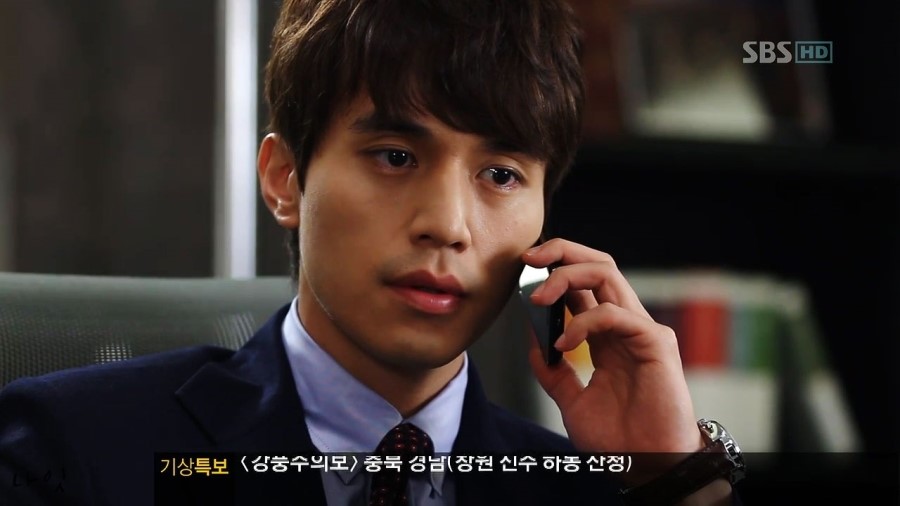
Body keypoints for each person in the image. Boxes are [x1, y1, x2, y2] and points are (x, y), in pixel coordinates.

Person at [0, 0, 743, 504]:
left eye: (500, 175)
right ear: (286, 179)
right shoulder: (73, 451)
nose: (448, 225)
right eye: (395, 157)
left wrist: (676, 476)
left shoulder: (602, 490)